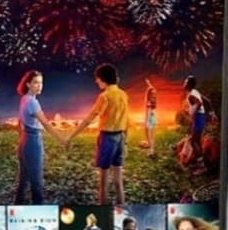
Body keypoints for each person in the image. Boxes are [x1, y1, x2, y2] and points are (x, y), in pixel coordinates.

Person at [66, 63, 128, 205]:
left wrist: (71, 136)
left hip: (107, 138)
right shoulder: (123, 95)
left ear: (103, 78)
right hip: (120, 137)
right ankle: (121, 209)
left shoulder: (104, 96)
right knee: (119, 182)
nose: (96, 81)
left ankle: (102, 211)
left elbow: (89, 119)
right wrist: (125, 142)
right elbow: (126, 120)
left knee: (103, 183)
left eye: (98, 78)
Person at [14, 70, 64, 204]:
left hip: (25, 140)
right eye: (36, 82)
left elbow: (20, 122)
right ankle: (39, 209)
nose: (39, 86)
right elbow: (46, 123)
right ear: (28, 84)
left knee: (23, 180)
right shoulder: (32, 102)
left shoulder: (24, 99)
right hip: (33, 141)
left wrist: (20, 141)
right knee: (36, 183)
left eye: (41, 83)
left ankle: (17, 205)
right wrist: (62, 139)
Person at [182, 75, 208, 171]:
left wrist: (193, 114)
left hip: (198, 117)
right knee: (197, 141)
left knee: (194, 142)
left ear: (188, 84)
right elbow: (206, 101)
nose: (184, 83)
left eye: (185, 82)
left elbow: (198, 103)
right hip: (201, 117)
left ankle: (202, 167)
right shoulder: (195, 92)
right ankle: (200, 163)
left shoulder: (191, 95)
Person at [142, 77, 157, 157]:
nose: (154, 94)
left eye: (153, 93)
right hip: (153, 118)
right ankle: (152, 150)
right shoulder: (154, 101)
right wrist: (148, 83)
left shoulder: (149, 102)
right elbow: (152, 89)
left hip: (150, 119)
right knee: (152, 136)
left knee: (149, 137)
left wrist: (146, 122)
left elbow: (148, 113)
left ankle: (151, 152)